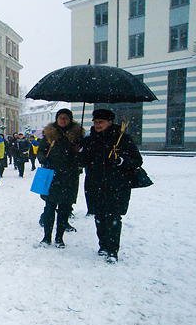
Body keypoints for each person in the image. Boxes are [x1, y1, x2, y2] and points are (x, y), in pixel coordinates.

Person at [80, 109, 142, 263]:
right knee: (99, 216)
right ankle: (103, 246)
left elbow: (137, 161)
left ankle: (113, 250)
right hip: (96, 184)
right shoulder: (89, 139)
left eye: (101, 122)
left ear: (110, 122)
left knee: (113, 217)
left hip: (117, 185)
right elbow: (83, 161)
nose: (97, 124)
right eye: (95, 122)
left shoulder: (122, 139)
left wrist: (121, 160)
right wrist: (79, 153)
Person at [37, 109, 84, 248]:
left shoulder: (77, 136)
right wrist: (43, 159)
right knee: (49, 207)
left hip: (70, 176)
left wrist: (79, 150)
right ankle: (46, 237)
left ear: (70, 120)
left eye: (66, 118)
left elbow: (82, 155)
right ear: (57, 119)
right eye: (61, 118)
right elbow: (40, 150)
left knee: (64, 208)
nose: (63, 120)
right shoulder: (50, 134)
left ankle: (59, 238)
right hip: (52, 175)